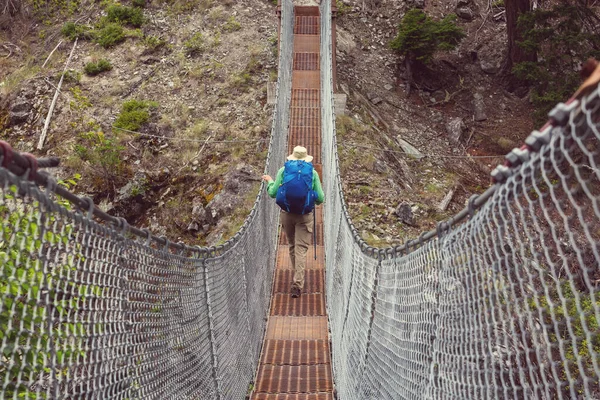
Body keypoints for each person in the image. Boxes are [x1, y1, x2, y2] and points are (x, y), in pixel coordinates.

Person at [262, 146, 324, 298]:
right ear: (306, 158)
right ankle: (297, 283)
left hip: (287, 214)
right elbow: (320, 198)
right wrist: (311, 195)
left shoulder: (283, 171)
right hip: (305, 216)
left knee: (292, 245)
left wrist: (269, 181)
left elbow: (272, 193)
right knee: (301, 249)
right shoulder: (313, 173)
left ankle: (298, 277)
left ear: (292, 158)